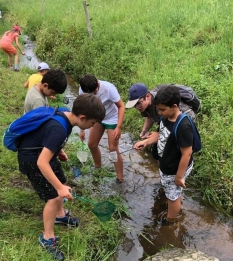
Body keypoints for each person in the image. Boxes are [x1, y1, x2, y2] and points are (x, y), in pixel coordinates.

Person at [17, 93, 106, 260]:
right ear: (82, 117)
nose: (92, 127)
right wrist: (58, 188)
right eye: (92, 123)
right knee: (53, 196)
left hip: (43, 154)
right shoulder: (59, 128)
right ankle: (47, 238)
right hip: (32, 160)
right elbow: (42, 163)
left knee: (62, 182)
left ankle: (60, 216)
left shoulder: (66, 114)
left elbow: (48, 138)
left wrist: (59, 150)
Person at [134, 85, 194, 224]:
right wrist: (147, 142)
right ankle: (173, 198)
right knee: (172, 192)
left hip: (175, 169)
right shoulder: (166, 118)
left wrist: (179, 177)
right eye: (158, 109)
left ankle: (170, 221)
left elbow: (187, 154)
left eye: (162, 109)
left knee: (173, 197)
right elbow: (162, 135)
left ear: (174, 106)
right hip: (167, 163)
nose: (159, 113)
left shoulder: (183, 126)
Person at [79, 74, 125, 183]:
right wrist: (82, 129)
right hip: (97, 117)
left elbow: (121, 106)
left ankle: (120, 178)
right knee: (92, 144)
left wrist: (118, 127)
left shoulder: (109, 88)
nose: (93, 95)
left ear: (98, 84)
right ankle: (98, 168)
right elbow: (83, 109)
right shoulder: (82, 90)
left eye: (95, 92)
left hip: (111, 118)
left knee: (113, 149)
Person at [125, 83, 196, 138]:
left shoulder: (161, 102)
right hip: (167, 121)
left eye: (138, 103)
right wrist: (145, 130)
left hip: (184, 120)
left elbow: (173, 122)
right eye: (134, 105)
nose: (137, 107)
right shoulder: (144, 105)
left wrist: (159, 135)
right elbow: (149, 116)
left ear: (148, 96)